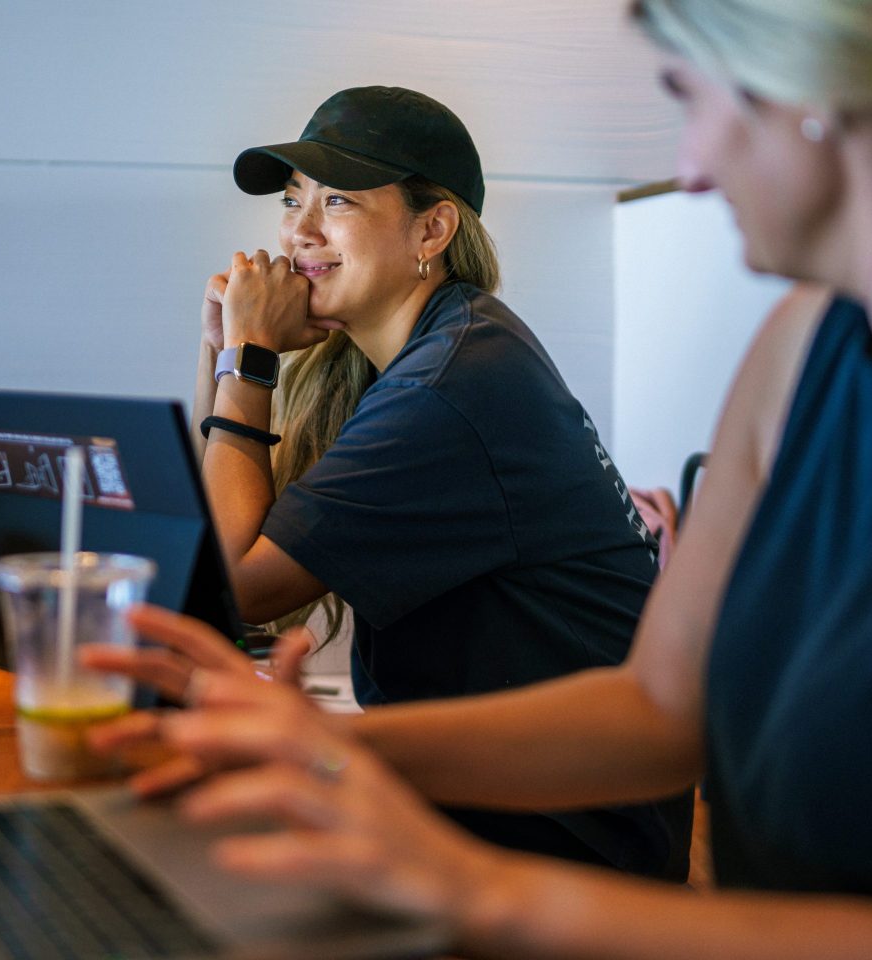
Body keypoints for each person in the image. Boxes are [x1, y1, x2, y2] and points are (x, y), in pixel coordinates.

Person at [84, 0, 872, 955]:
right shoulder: (801, 342)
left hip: (576, 862)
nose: (692, 166)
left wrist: (468, 884)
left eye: (695, 100)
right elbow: (664, 704)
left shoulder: (458, 379)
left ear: (821, 99)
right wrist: (330, 750)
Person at [189, 84, 690, 877]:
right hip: (494, 797)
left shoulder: (449, 387)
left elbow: (229, 581)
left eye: (339, 201)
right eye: (293, 201)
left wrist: (245, 361)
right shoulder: (437, 351)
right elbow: (220, 537)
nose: (299, 233)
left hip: (561, 839)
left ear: (433, 228)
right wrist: (227, 349)